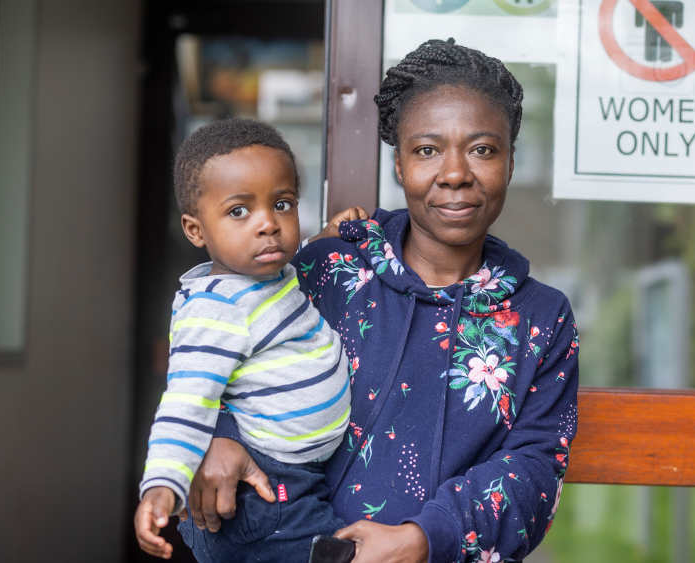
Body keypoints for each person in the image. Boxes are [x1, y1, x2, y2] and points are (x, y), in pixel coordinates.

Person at [186, 39, 580, 563]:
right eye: (427, 150)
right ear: (399, 165)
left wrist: (422, 538)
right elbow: (217, 355)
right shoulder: (329, 272)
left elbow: (535, 468)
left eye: (483, 149)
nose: (456, 172)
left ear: (510, 163)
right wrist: (219, 436)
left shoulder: (541, 319)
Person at [133, 118, 368, 561]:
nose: (268, 225)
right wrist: (163, 486)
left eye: (282, 204)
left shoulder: (267, 278)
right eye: (239, 211)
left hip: (296, 477)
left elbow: (287, 268)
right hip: (262, 493)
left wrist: (328, 236)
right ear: (195, 230)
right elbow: (185, 403)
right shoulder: (217, 310)